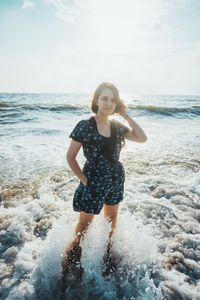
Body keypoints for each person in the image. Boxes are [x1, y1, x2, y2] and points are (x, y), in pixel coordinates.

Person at [61, 82, 147, 286]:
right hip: (93, 181)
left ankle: (107, 253)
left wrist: (125, 115)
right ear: (96, 101)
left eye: (113, 99)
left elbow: (142, 138)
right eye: (104, 98)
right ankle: (75, 254)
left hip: (115, 178)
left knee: (112, 219)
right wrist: (84, 180)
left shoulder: (117, 127)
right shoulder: (84, 125)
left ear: (116, 103)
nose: (108, 103)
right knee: (85, 223)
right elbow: (71, 157)